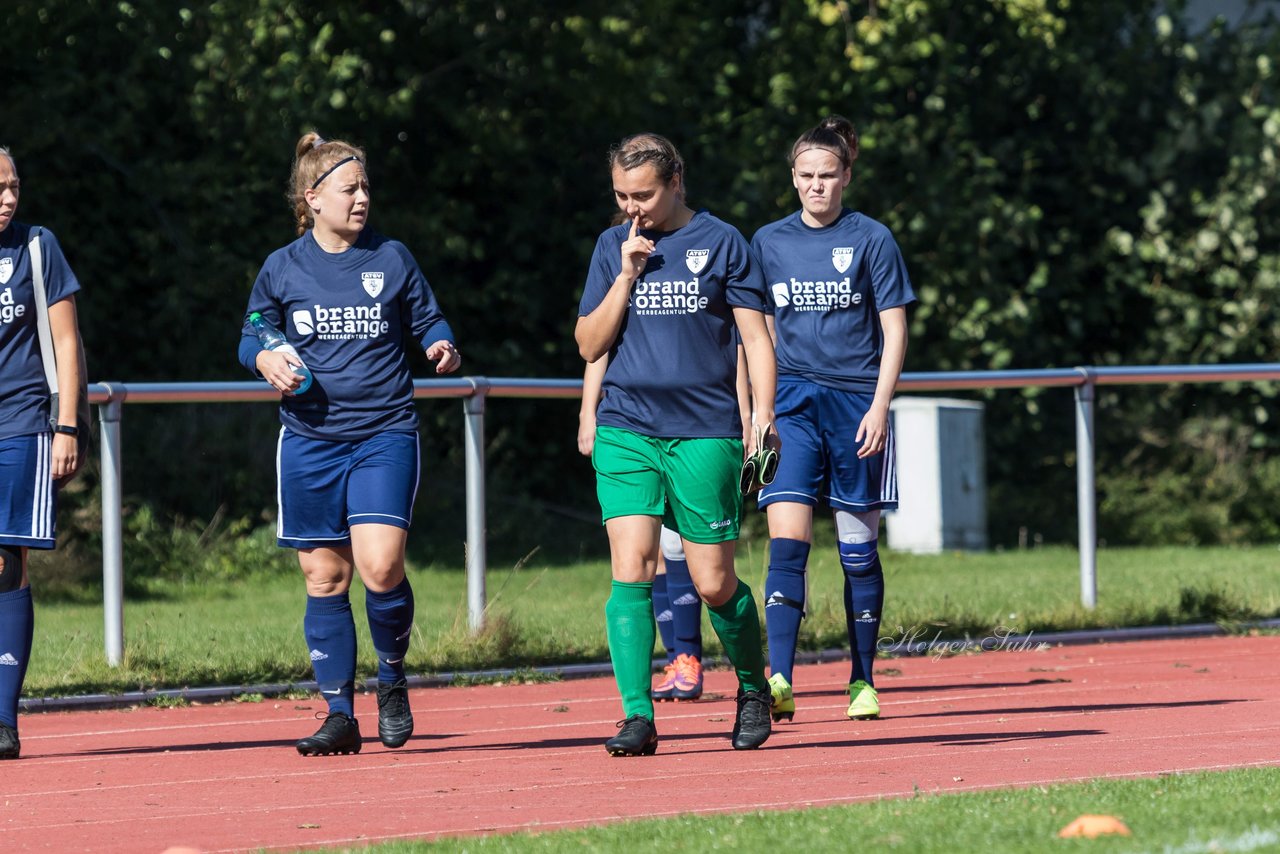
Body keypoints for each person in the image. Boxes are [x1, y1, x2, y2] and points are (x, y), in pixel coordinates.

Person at [238, 133, 460, 756]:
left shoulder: (392, 258)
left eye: (366, 187)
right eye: (349, 189)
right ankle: (339, 713)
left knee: (381, 565)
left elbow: (428, 318)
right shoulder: (282, 266)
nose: (362, 199)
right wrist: (263, 359)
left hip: (384, 432)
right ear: (312, 199)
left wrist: (440, 343)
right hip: (310, 440)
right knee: (324, 576)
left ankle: (392, 678)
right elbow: (253, 331)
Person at [576, 132, 778, 755]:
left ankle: (752, 687)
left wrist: (762, 415)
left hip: (705, 430)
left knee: (714, 580)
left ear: (676, 182)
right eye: (621, 195)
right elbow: (589, 344)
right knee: (630, 566)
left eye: (645, 194)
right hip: (627, 427)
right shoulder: (613, 246)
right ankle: (637, 716)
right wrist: (625, 276)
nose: (632, 208)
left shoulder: (723, 242)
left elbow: (755, 338)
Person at [751, 116, 914, 723]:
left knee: (855, 549)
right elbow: (756, 334)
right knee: (785, 543)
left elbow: (895, 328)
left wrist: (879, 404)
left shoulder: (873, 238)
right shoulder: (767, 242)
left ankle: (863, 680)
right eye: (806, 176)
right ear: (792, 179)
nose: (817, 186)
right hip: (790, 404)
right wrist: (755, 410)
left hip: (854, 405)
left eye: (828, 175)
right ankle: (778, 679)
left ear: (846, 175)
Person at [0, 146, 86, 760]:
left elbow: (64, 338)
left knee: (6, 563)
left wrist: (67, 425)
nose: (8, 198)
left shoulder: (36, 246)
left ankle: (4, 718)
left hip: (20, 423)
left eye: (13, 186)